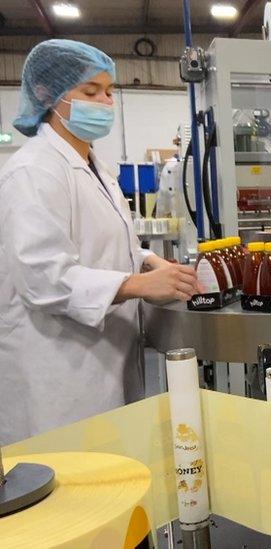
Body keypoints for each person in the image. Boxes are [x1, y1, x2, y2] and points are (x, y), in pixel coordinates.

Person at [0, 39, 200, 443]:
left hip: (106, 359)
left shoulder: (95, 168)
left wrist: (147, 261)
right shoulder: (34, 169)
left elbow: (97, 240)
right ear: (47, 96)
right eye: (90, 92)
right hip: (59, 374)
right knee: (71, 489)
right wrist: (135, 286)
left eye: (108, 91)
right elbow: (43, 276)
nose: (105, 102)